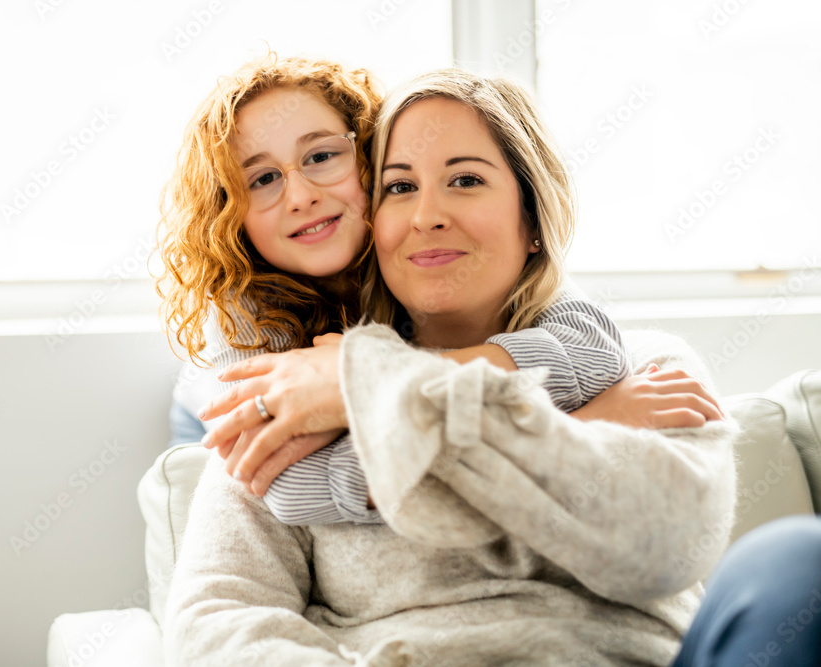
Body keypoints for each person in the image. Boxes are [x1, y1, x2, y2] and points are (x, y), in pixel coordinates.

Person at [162, 69, 769, 666]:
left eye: (466, 180)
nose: (427, 215)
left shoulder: (643, 370)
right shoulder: (290, 398)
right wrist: (574, 426)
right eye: (401, 186)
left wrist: (380, 388)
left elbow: (665, 550)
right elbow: (216, 628)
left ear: (534, 219)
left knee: (792, 561)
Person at [158, 54, 696, 527]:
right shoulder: (240, 306)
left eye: (321, 156)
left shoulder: (420, 244)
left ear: (368, 156)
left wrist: (374, 384)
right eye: (261, 179)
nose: (300, 196)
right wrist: (582, 428)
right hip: (203, 403)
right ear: (229, 213)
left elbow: (590, 349)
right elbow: (296, 488)